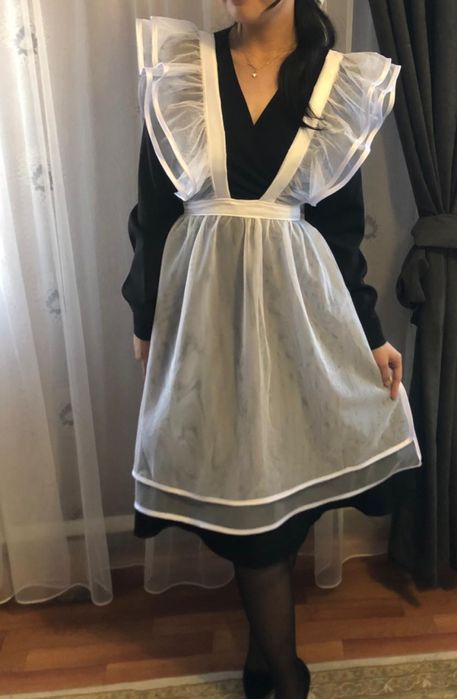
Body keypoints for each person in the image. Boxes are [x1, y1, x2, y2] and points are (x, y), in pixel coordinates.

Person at [121, 1, 422, 697]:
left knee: (275, 494)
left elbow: (341, 232)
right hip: (204, 319)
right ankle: (279, 670)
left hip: (297, 319)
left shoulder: (333, 82)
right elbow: (153, 211)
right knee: (240, 489)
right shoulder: (183, 68)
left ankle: (274, 669)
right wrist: (144, 314)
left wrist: (371, 332)